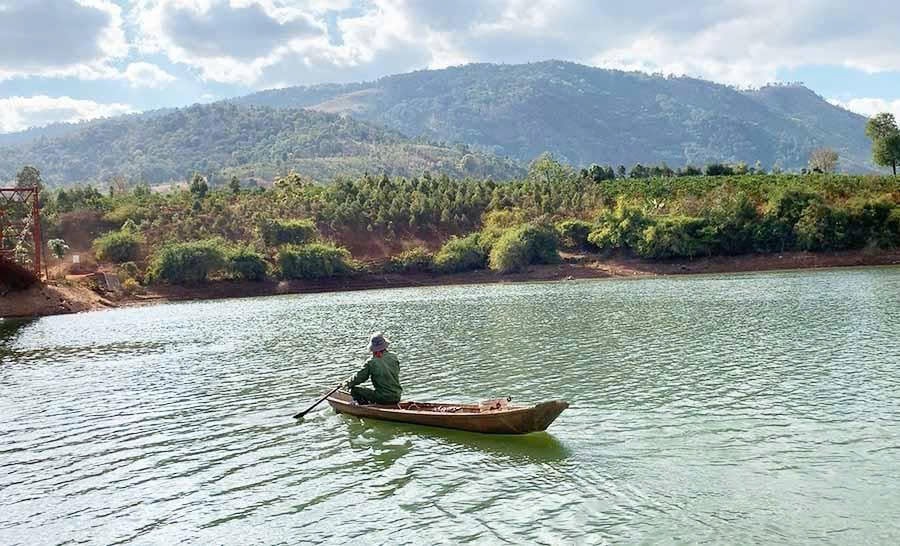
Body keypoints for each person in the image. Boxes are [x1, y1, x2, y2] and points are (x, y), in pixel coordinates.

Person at [344, 332, 402, 405]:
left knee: (354, 390)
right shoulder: (394, 357)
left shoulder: (371, 362)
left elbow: (359, 378)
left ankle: (365, 408)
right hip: (397, 396)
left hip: (383, 398)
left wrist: (346, 383)